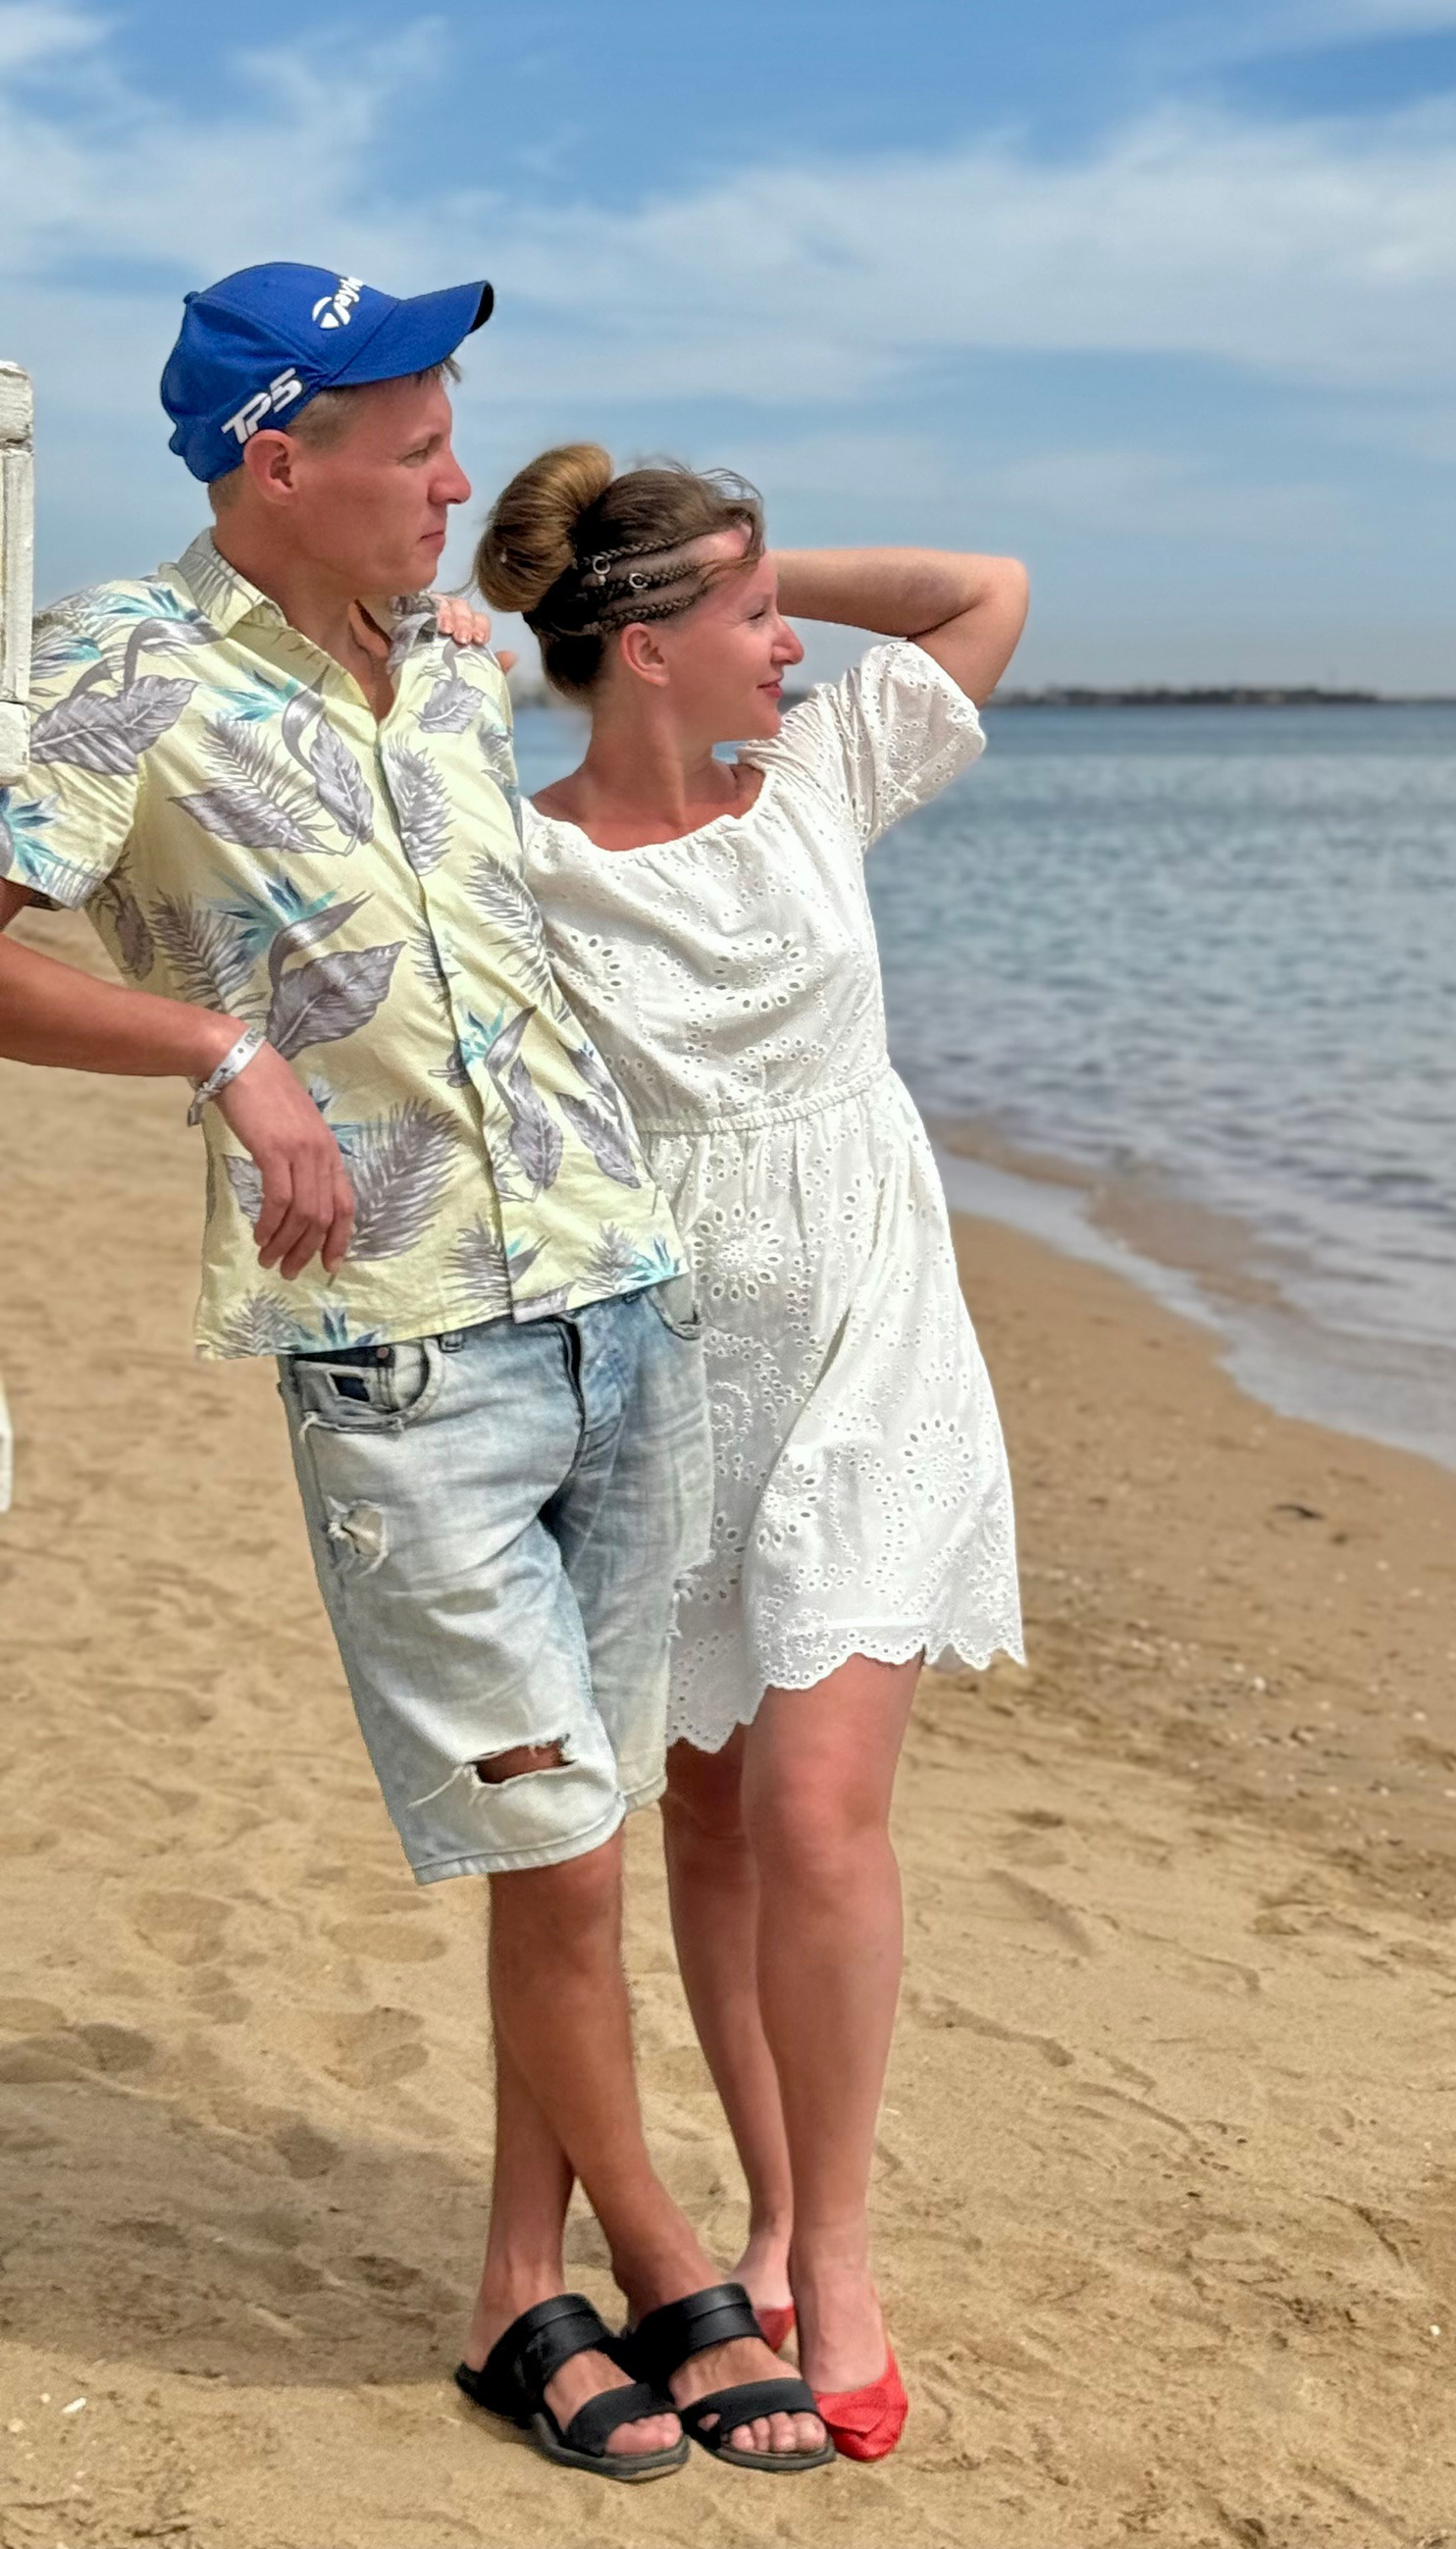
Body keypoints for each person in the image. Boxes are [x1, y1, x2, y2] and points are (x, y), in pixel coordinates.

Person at [0, 268, 829, 2479]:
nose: (461, 481)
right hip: (401, 1352)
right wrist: (218, 1049)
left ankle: (508, 2299)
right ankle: (668, 2260)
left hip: (618, 1301)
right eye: (419, 446)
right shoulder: (119, 668)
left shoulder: (453, 665)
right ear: (281, 459)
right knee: (555, 1848)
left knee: (574, 1839)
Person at [470, 442, 1027, 2461]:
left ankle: (836, 2250)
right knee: (704, 1817)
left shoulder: (814, 785)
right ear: (642, 649)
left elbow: (982, 588)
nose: (793, 645)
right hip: (674, 1373)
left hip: (876, 1345)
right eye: (756, 616)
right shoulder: (511, 858)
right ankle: (764, 2222)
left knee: (814, 1805)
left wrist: (756, 553)